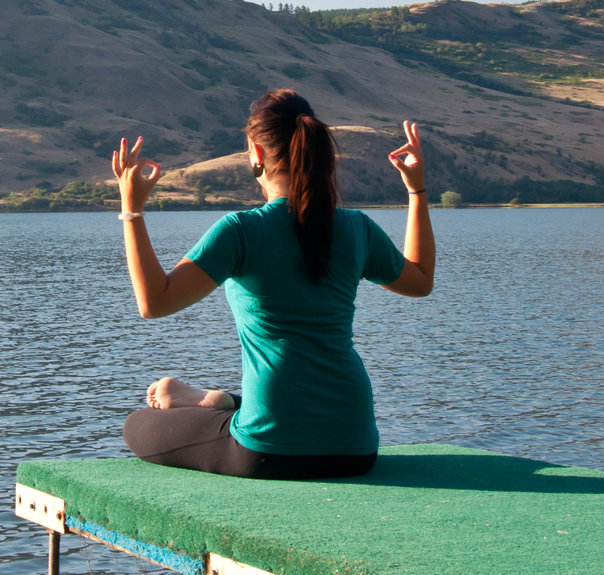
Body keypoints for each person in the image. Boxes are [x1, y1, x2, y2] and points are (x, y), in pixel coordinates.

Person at [110, 89, 435, 480]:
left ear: (257, 155)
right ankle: (217, 400)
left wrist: (132, 210)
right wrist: (416, 190)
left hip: (268, 449)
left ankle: (219, 403)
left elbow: (154, 302)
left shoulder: (242, 231)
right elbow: (419, 281)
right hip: (356, 445)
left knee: (138, 426)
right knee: (268, 405)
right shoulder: (356, 228)